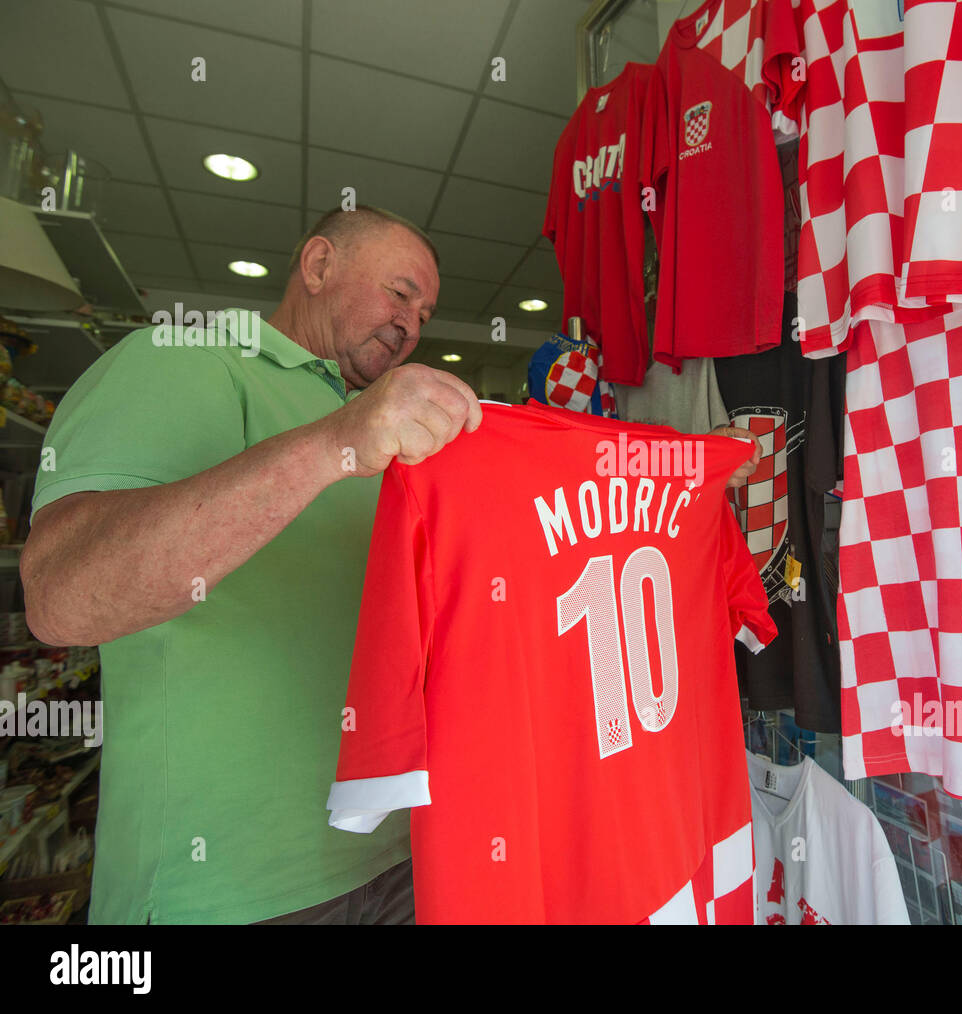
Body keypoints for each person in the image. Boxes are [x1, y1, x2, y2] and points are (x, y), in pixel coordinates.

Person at [20, 204, 758, 924]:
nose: (411, 324)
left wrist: (684, 475)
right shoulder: (181, 360)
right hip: (231, 891)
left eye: (425, 313)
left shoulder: (404, 435)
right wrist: (333, 443)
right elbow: (59, 598)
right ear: (318, 265)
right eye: (399, 293)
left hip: (415, 856)